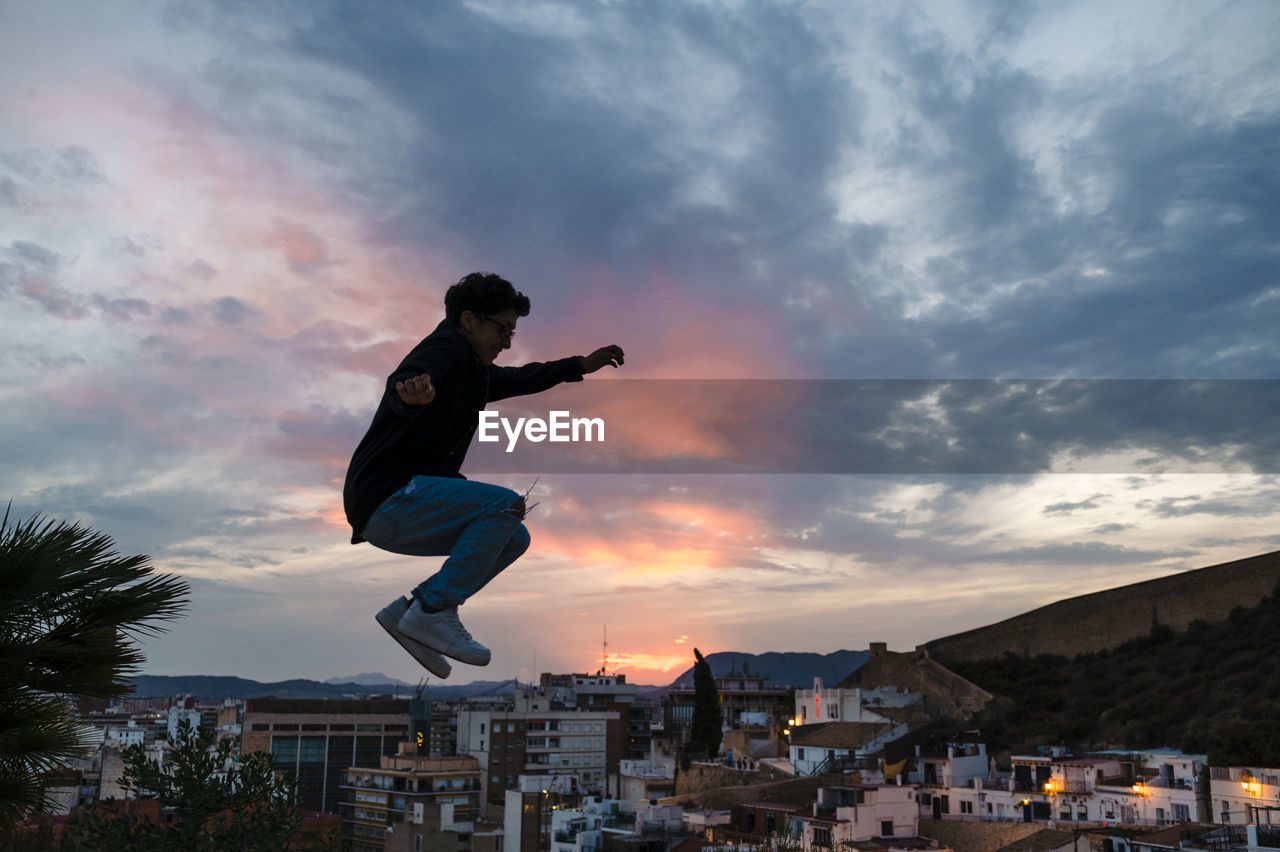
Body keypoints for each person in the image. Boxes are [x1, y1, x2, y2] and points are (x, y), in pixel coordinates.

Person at [343, 272, 624, 679]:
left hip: (392, 511)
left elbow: (522, 377)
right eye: (503, 329)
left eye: (512, 331)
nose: (507, 341)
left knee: (514, 536)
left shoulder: (474, 372)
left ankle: (409, 612)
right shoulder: (448, 349)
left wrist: (580, 365)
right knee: (506, 504)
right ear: (469, 320)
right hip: (388, 497)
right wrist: (410, 392)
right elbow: (413, 376)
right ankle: (433, 609)